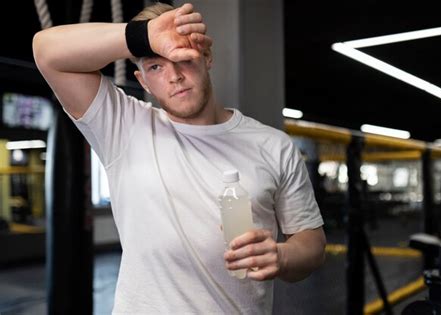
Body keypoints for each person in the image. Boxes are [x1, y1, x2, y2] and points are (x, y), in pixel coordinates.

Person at [33, 2, 326, 314]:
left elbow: (311, 242)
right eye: (155, 66)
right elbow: (46, 50)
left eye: (181, 58)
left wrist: (281, 257)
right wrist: (144, 35)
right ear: (142, 81)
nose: (173, 76)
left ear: (207, 56)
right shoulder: (124, 127)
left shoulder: (273, 145)